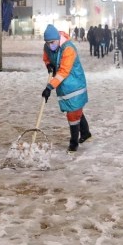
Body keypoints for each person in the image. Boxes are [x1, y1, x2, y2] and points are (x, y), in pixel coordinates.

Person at [41, 24, 91, 152]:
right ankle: (85, 133)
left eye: (52, 42)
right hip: (63, 84)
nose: (50, 45)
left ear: (58, 39)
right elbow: (46, 57)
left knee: (73, 113)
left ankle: (74, 142)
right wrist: (48, 65)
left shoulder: (68, 49)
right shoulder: (48, 46)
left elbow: (64, 71)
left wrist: (49, 87)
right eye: (47, 43)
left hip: (74, 83)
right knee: (75, 108)